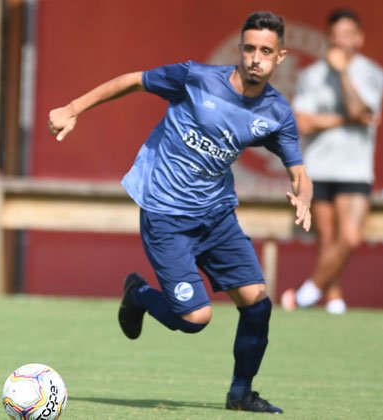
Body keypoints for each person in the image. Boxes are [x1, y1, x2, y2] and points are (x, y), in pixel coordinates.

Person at [48, 11, 312, 414]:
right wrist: (73, 107)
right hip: (166, 214)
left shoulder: (276, 113)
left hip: (217, 216)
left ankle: (241, 394)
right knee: (194, 318)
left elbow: (298, 170)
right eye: (249, 48)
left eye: (265, 51)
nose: (255, 58)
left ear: (280, 57)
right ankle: (137, 294)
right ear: (240, 49)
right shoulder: (196, 78)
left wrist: (303, 196)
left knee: (257, 301)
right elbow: (133, 80)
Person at [281, 9, 383, 315]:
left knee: (349, 238)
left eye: (347, 34)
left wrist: (341, 73)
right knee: (326, 239)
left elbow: (361, 110)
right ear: (328, 37)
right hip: (318, 167)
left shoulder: (373, 73)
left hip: (355, 170)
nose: (341, 40)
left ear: (359, 38)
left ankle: (307, 293)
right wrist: (346, 119)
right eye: (335, 34)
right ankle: (334, 298)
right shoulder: (310, 75)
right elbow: (303, 122)